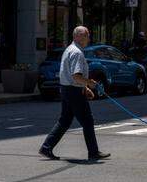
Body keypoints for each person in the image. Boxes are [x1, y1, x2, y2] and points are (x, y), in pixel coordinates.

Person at [39, 26, 110, 161]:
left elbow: (71, 76)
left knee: (65, 120)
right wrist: (89, 83)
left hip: (66, 89)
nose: (88, 38)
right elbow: (76, 76)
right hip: (73, 91)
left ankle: (46, 147)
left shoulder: (69, 49)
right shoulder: (77, 52)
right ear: (79, 36)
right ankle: (93, 152)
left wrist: (84, 87)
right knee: (87, 121)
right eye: (87, 35)